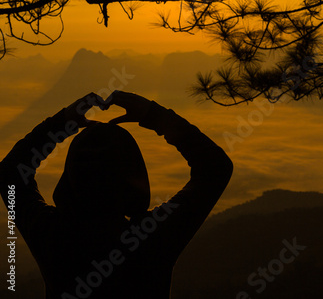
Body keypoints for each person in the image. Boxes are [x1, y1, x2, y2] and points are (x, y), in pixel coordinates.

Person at [0, 90, 233, 299]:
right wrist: (153, 115)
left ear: (69, 179)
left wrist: (61, 125)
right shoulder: (151, 238)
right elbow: (215, 168)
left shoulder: (50, 235)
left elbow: (11, 173)